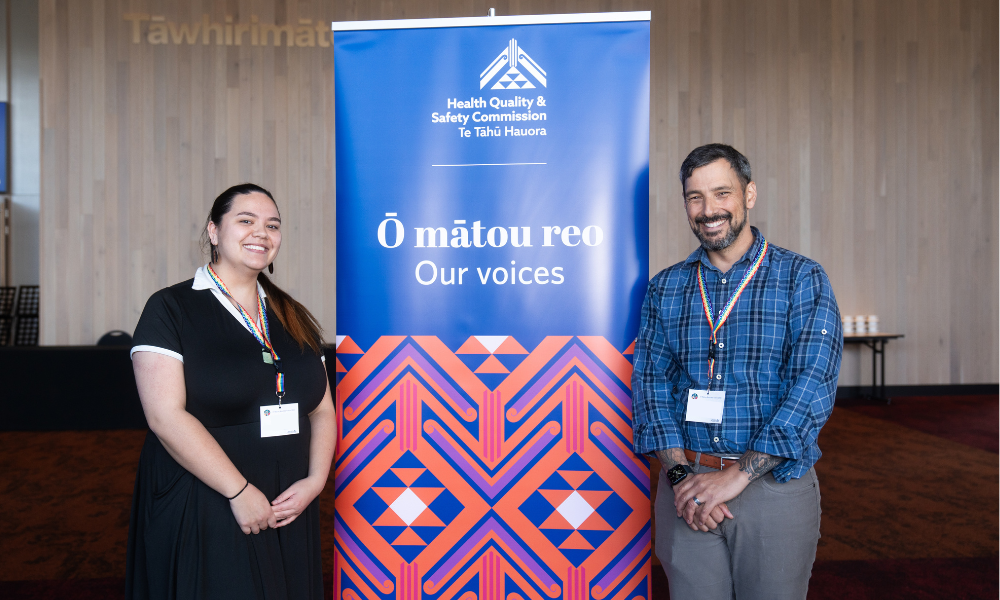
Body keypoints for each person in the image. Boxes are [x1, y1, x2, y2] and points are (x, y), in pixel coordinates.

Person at [631, 144, 842, 599]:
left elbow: (813, 385)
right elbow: (650, 386)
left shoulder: (801, 279)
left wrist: (738, 476)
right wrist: (682, 478)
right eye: (694, 197)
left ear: (749, 195)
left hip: (772, 488)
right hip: (685, 489)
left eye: (721, 193)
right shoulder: (665, 288)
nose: (708, 211)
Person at [125, 183, 336, 600]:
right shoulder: (170, 308)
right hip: (209, 499)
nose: (262, 232)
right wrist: (238, 491)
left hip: (287, 502)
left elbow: (322, 409)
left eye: (272, 225)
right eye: (246, 221)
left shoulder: (293, 314)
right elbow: (165, 416)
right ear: (214, 232)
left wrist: (315, 482)